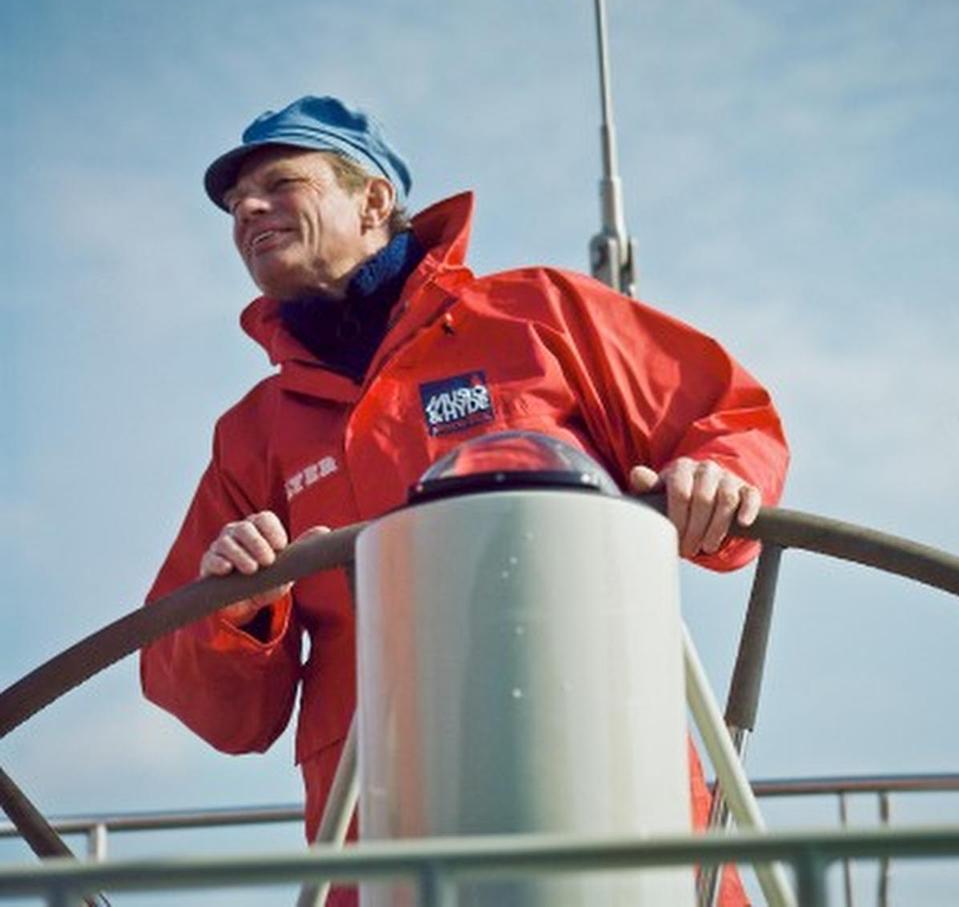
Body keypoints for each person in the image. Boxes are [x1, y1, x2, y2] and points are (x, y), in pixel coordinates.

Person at [141, 95, 789, 906]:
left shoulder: (541, 316)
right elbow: (206, 700)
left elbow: (729, 418)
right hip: (379, 851)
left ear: (373, 199)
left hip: (616, 814)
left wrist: (716, 474)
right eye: (237, 203)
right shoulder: (253, 435)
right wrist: (240, 611)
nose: (248, 210)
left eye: (279, 183)